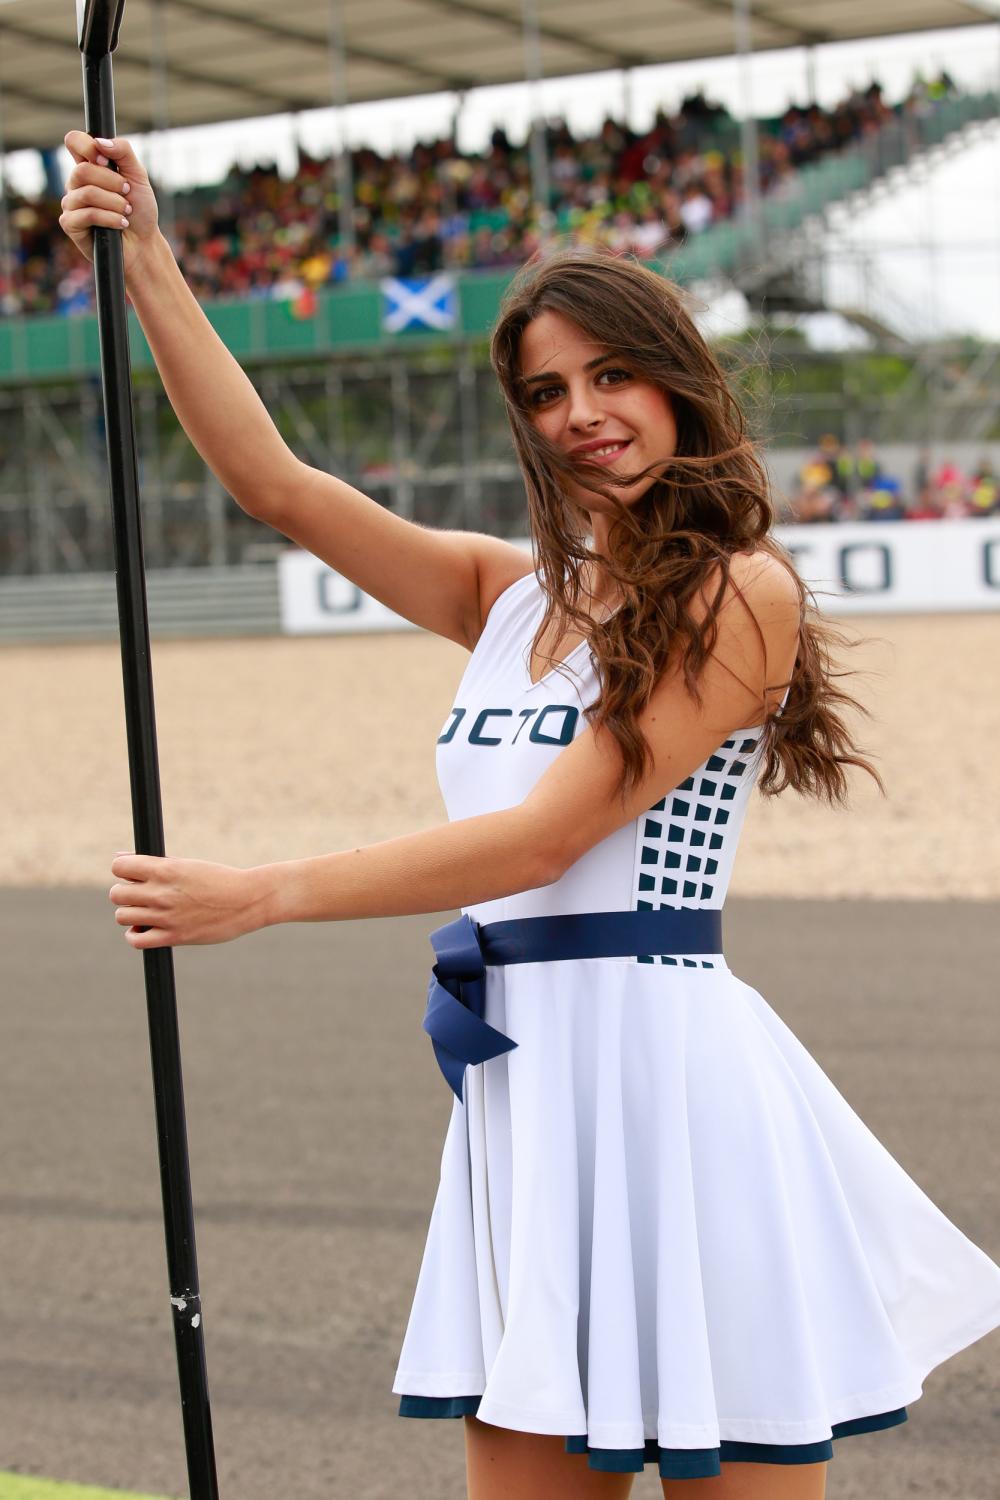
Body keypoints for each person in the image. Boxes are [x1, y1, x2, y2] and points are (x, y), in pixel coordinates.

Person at [59, 131, 1000, 1500]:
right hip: (526, 1093)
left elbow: (550, 841)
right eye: (548, 389)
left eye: (612, 373)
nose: (582, 411)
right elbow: (276, 485)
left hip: (673, 1095)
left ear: (680, 383)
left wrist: (264, 893)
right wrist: (146, 257)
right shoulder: (506, 596)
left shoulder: (743, 592)